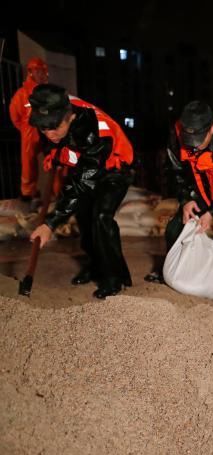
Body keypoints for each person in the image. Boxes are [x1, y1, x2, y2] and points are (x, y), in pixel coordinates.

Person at [27, 84, 134, 299]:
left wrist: (51, 223)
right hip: (86, 168)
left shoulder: (95, 132)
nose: (49, 133)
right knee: (83, 216)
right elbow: (57, 143)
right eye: (44, 128)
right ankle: (95, 266)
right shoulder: (54, 116)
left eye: (54, 127)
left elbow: (81, 183)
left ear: (70, 116)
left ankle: (115, 278)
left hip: (114, 170)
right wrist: (54, 154)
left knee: (101, 217)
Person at [145, 100, 213, 282]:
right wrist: (186, 199)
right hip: (199, 183)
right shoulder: (176, 135)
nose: (193, 147)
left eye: (198, 141)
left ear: (212, 129)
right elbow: (175, 172)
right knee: (177, 227)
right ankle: (173, 270)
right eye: (189, 141)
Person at [9, 58, 50, 201]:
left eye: (43, 71)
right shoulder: (22, 94)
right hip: (30, 132)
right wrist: (26, 129)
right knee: (28, 164)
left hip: (49, 131)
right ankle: (28, 194)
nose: (41, 74)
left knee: (57, 161)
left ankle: (59, 193)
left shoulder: (49, 92)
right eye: (38, 71)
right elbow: (15, 116)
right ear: (30, 72)